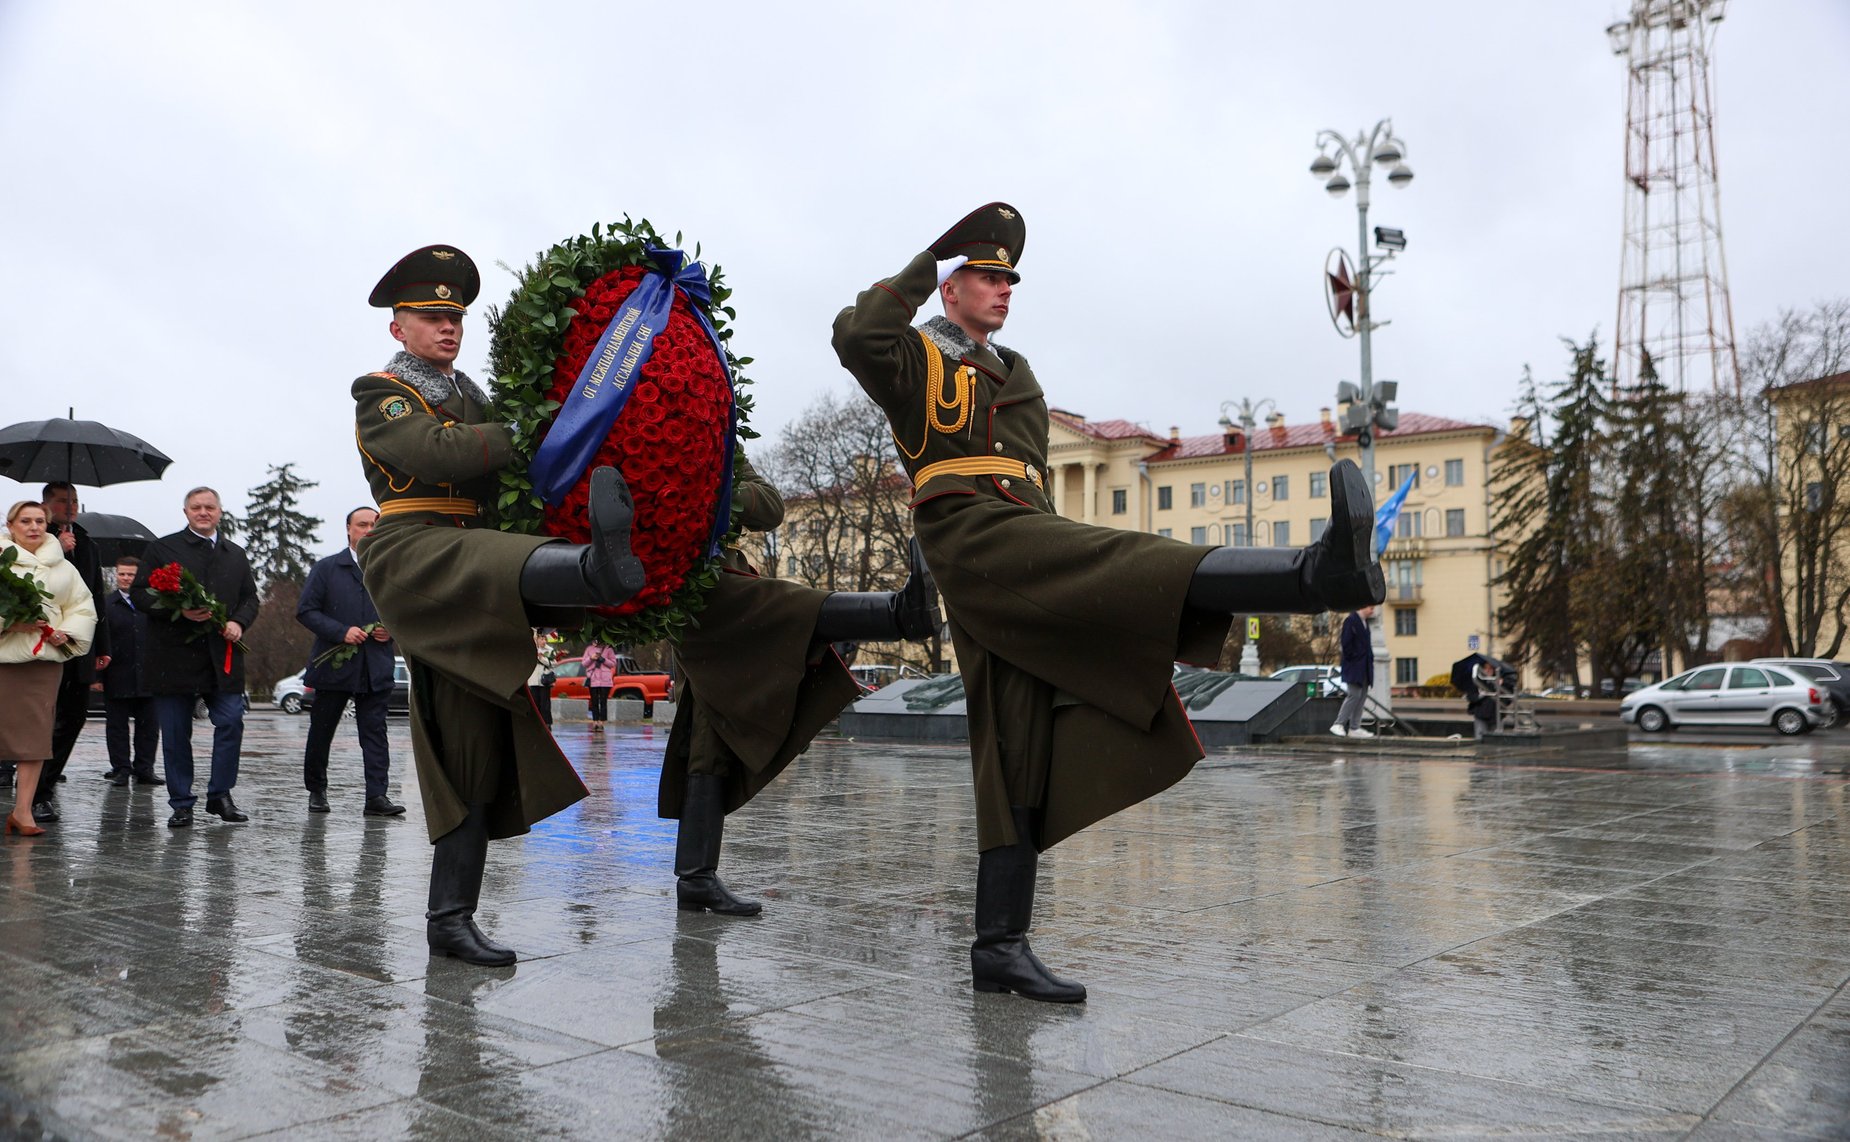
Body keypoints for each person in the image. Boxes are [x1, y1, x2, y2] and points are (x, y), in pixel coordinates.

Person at [832, 203, 1384, 1002]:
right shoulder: (910, 356)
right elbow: (855, 335)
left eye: (1009, 279)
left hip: (1023, 537)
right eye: (986, 276)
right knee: (1128, 558)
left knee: (1015, 744)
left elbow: (1033, 476)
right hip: (968, 533)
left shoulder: (1015, 372)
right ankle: (1312, 575)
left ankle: (1000, 947)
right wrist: (930, 254)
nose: (1003, 290)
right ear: (948, 289)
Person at [352, 244, 646, 967]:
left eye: (454, 317)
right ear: (400, 328)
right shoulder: (382, 391)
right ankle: (593, 572)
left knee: (473, 744)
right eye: (430, 317)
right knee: (495, 570)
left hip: (473, 561)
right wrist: (540, 429)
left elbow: (488, 453)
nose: (447, 327)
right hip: (416, 553)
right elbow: (441, 455)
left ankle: (451, 919)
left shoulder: (477, 397)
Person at [659, 445, 937, 916]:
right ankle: (897, 613)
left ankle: (696, 878)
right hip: (679, 579)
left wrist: (712, 489)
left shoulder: (710, 427)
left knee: (710, 729)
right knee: (788, 608)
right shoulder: (621, 416)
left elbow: (769, 505)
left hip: (719, 574)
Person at [133, 487, 260, 827]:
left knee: (231, 720)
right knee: (175, 733)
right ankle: (182, 802)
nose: (203, 512)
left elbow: (250, 598)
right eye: (196, 507)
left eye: (210, 507)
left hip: (222, 658)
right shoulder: (163, 548)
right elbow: (140, 593)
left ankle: (220, 794)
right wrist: (178, 610)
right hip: (173, 658)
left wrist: (238, 622)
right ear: (186, 511)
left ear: (220, 512)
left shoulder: (235, 554)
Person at [297, 506, 404, 817]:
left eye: (374, 524)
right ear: (348, 529)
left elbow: (404, 614)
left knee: (375, 733)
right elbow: (306, 611)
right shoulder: (327, 568)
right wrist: (341, 631)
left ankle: (377, 797)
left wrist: (391, 630)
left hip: (376, 667)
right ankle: (316, 791)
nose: (368, 530)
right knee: (322, 731)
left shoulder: (389, 571)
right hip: (333, 666)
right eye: (362, 524)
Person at [1, 501, 97, 836]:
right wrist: (9, 623)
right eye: (25, 521)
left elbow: (82, 607)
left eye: (40, 521)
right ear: (11, 526)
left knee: (35, 739)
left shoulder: (64, 568)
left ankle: (23, 812)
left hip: (43, 664)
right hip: (3, 662)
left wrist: (65, 633)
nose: (33, 527)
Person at [35, 481, 110, 821]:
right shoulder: (35, 537)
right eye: (63, 500)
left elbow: (96, 595)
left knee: (74, 717)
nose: (71, 506)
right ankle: (31, 790)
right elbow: (31, 584)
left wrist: (102, 645)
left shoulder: (88, 542)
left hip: (78, 644)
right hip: (42, 642)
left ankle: (45, 787)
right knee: (38, 719)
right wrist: (57, 549)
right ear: (46, 504)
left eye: (75, 500)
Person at [98, 554, 162, 787]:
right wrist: (96, 676)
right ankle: (121, 769)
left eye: (131, 574)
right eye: (122, 574)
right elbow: (99, 641)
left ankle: (145, 769)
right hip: (117, 674)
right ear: (116, 575)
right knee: (117, 727)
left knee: (149, 727)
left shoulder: (153, 603)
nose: (126, 578)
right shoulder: (106, 604)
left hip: (149, 675)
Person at [1332, 606, 1375, 739]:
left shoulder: (1364, 623)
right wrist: (1356, 658)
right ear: (1362, 606)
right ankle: (1338, 724)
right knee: (1354, 695)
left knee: (1361, 698)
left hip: (1364, 667)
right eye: (1371, 607)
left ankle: (1354, 727)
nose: (1373, 610)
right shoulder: (1351, 621)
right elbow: (1346, 644)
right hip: (1355, 667)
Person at [581, 638, 617, 727]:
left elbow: (613, 663)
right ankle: (595, 721)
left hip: (605, 680)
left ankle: (602, 722)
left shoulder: (608, 649)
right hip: (593, 679)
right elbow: (584, 663)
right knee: (594, 701)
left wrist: (603, 660)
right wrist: (591, 658)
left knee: (603, 702)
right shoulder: (589, 649)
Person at [528, 631, 557, 729]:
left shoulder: (550, 650)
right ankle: (537, 723)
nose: (544, 641)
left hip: (545, 680)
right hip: (533, 680)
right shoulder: (532, 649)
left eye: (545, 639)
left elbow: (553, 663)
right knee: (535, 703)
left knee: (545, 704)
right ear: (537, 640)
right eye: (541, 639)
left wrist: (542, 658)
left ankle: (547, 723)